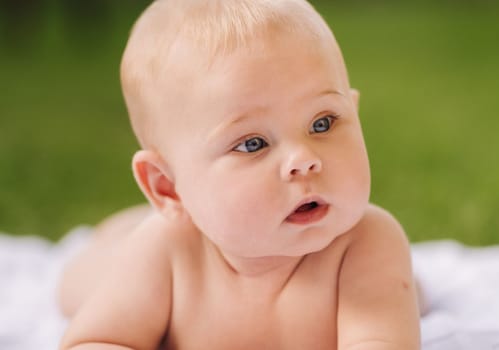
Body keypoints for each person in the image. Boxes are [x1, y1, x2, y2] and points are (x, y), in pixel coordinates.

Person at [58, 0, 421, 348]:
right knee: (81, 279)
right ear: (168, 187)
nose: (303, 159)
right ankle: (117, 231)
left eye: (322, 122)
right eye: (253, 144)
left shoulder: (366, 244)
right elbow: (95, 341)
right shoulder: (166, 253)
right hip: (133, 249)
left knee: (411, 292)